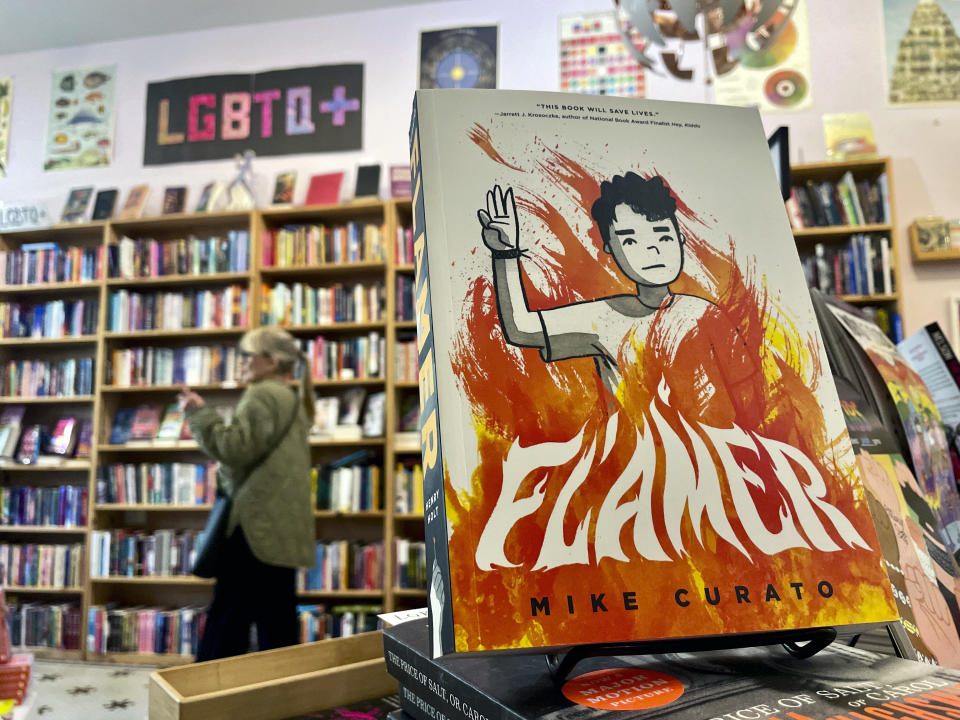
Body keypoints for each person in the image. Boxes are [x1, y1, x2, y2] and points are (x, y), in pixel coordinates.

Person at [477, 173, 761, 424]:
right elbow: (520, 328)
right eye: (630, 241)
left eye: (662, 236)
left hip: (717, 464)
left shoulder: (706, 315)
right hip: (637, 468)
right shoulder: (602, 317)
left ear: (680, 239)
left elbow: (750, 402)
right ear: (610, 248)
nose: (652, 250)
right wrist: (505, 254)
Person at [178, 327, 316, 661]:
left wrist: (199, 413)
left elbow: (234, 449)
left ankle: (209, 700)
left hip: (255, 527)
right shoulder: (289, 397)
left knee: (227, 623)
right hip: (276, 528)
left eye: (247, 355)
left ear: (270, 361)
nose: (241, 362)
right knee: (276, 622)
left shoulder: (263, 394)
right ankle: (283, 699)